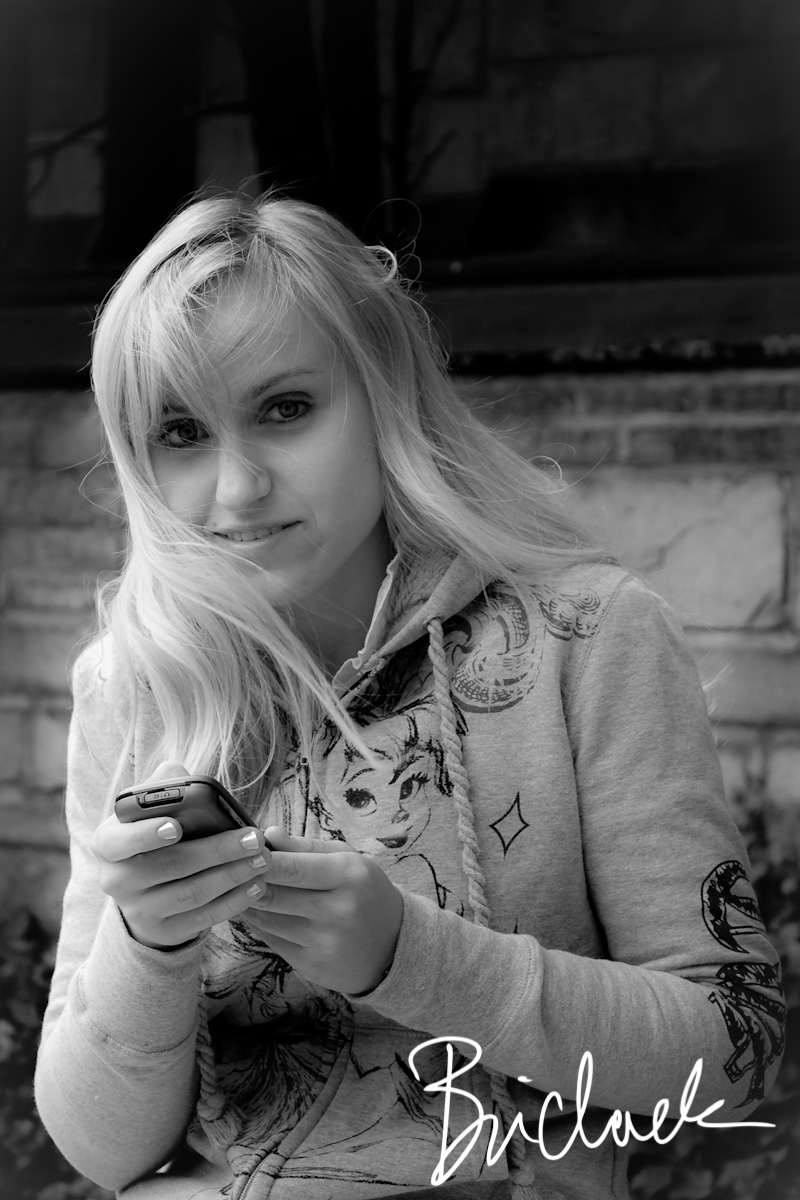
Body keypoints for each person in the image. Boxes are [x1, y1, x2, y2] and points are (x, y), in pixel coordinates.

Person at [35, 192, 785, 1200]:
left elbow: (731, 1054)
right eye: (181, 431)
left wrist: (410, 955)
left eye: (285, 409)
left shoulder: (591, 638)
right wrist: (149, 944)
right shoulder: (134, 682)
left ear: (383, 388)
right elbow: (101, 1150)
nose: (236, 490)